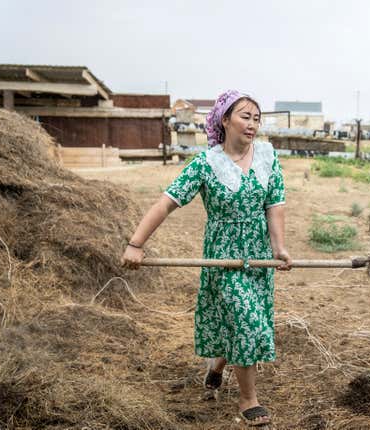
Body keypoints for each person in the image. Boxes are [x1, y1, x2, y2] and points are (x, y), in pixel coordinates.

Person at [121, 90, 291, 427]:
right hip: (223, 256)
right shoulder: (205, 164)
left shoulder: (268, 158)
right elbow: (166, 203)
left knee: (248, 318)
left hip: (256, 255)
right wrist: (136, 244)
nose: (253, 124)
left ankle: (217, 364)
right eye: (245, 116)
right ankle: (248, 399)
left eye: (257, 118)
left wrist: (279, 248)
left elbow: (275, 206)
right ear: (224, 119)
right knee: (245, 319)